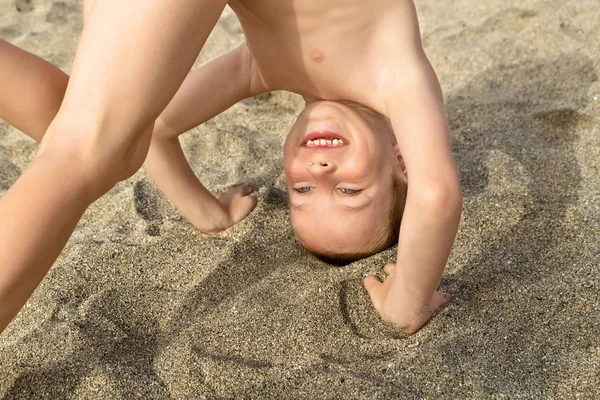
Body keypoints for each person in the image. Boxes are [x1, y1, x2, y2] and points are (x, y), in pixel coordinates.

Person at [0, 0, 462, 335]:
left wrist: (208, 212)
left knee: (90, 129)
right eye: (349, 191)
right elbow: (436, 194)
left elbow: (156, 127)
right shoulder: (394, 72)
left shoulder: (263, 66)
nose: (321, 169)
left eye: (301, 189)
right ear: (403, 161)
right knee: (91, 149)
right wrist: (408, 305)